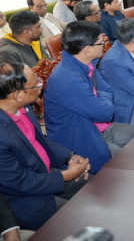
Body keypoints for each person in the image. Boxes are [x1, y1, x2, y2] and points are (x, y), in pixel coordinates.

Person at [0, 62, 90, 230]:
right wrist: (65, 176)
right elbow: (20, 182)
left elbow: (40, 141)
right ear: (18, 95)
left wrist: (69, 156)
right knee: (79, 222)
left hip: (47, 173)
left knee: (97, 188)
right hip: (27, 199)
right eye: (36, 84)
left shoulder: (24, 107)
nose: (41, 85)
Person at [44, 21, 134, 173]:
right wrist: (103, 99)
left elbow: (107, 90)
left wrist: (102, 99)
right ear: (86, 49)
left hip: (104, 128)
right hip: (84, 137)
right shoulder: (67, 78)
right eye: (100, 43)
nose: (104, 44)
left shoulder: (86, 63)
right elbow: (105, 112)